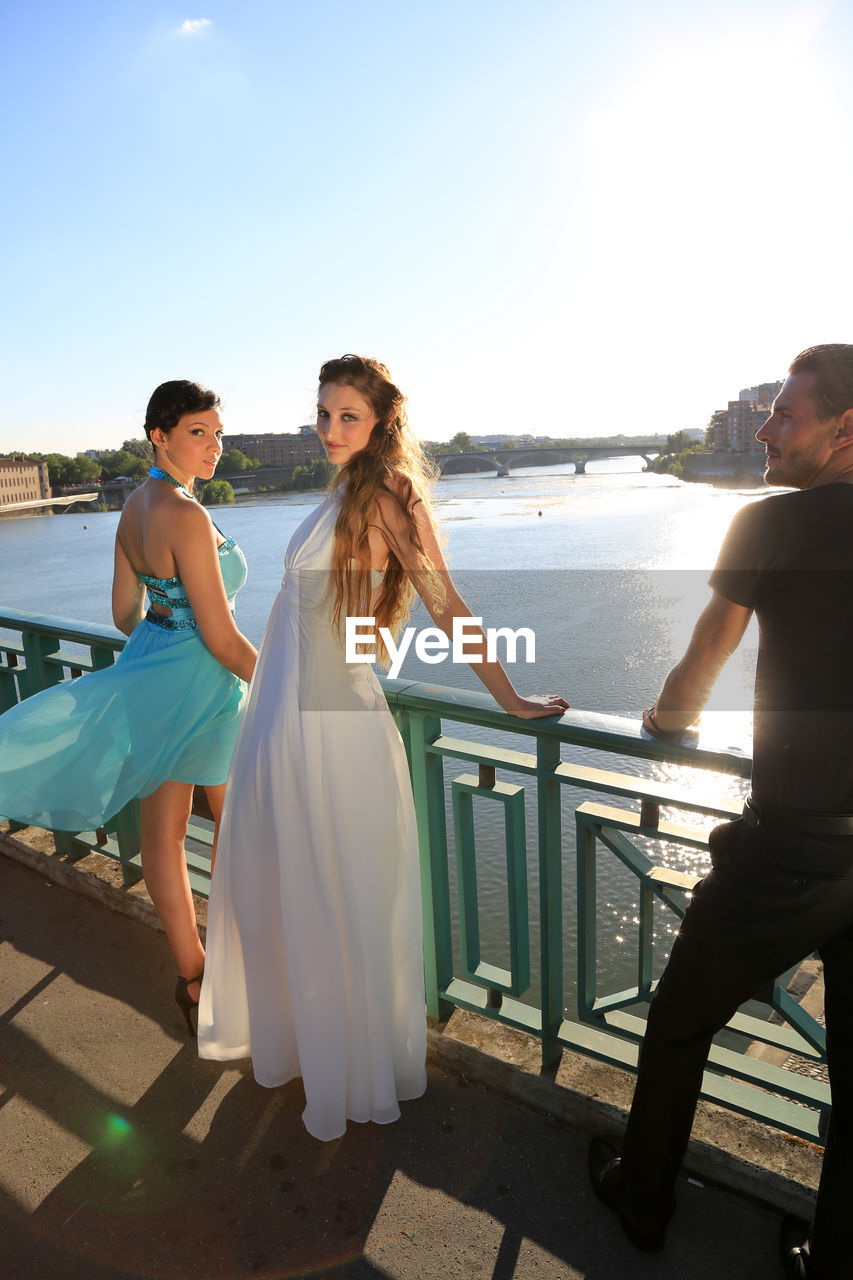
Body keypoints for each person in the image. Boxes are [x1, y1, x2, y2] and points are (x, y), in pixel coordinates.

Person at [198, 354, 568, 1141]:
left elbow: (445, 602)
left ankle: (353, 1068)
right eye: (324, 414)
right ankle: (313, 1048)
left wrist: (508, 696)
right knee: (297, 885)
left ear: (380, 423)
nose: (330, 430)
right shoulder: (342, 488)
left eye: (347, 417)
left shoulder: (390, 495)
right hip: (284, 722)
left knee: (340, 890)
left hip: (334, 726)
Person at [587, 344, 853, 1279]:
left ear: (843, 428)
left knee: (678, 1019)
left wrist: (664, 720)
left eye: (786, 415)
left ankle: (644, 1200)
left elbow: (705, 655)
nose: (769, 432)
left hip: (792, 844)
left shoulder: (766, 525)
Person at [0, 380, 257, 1033]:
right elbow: (225, 639)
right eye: (198, 431)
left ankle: (194, 977)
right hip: (204, 690)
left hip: (155, 674)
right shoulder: (187, 515)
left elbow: (124, 614)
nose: (214, 446)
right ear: (159, 435)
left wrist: (168, 630)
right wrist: (289, 683)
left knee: (163, 836)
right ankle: (234, 965)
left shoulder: (136, 505)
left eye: (218, 432)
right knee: (238, 825)